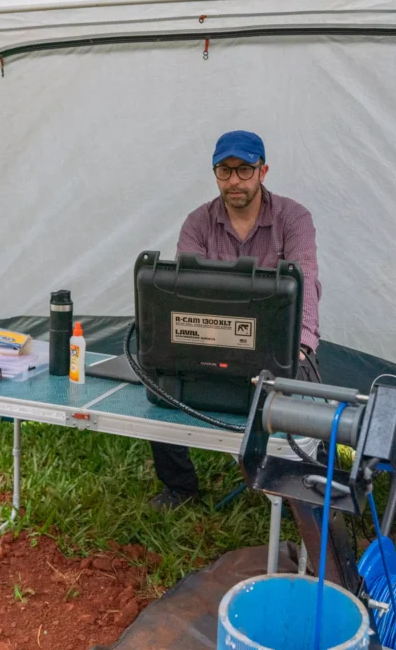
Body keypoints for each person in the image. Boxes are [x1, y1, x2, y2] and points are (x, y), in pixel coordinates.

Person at [148, 130, 323, 509]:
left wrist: (303, 345)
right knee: (161, 386)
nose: (234, 181)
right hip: (211, 339)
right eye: (224, 171)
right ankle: (180, 487)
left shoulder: (293, 218)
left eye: (244, 170)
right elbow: (183, 291)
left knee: (308, 405)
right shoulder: (197, 222)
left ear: (263, 171)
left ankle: (304, 493)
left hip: (277, 346)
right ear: (215, 174)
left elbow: (306, 279)